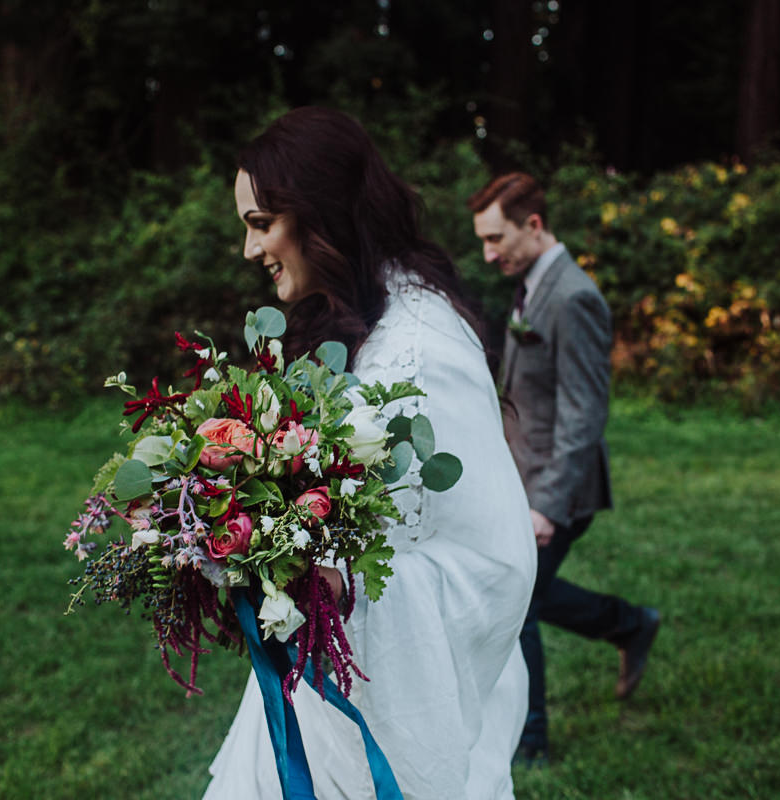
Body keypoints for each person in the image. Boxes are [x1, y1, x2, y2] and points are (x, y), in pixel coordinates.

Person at [203, 108, 537, 799]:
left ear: (317, 213)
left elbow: (492, 560)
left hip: (391, 705)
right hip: (324, 688)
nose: (249, 249)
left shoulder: (421, 349)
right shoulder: (362, 318)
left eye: (261, 223)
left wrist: (322, 581)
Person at [467, 172, 661, 766]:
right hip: (524, 477)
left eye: (496, 237)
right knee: (532, 592)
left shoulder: (574, 296)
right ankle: (629, 625)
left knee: (516, 603)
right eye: (482, 240)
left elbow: (584, 414)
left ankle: (530, 741)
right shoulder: (532, 282)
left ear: (533, 224)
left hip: (559, 488)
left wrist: (546, 505)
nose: (488, 252)